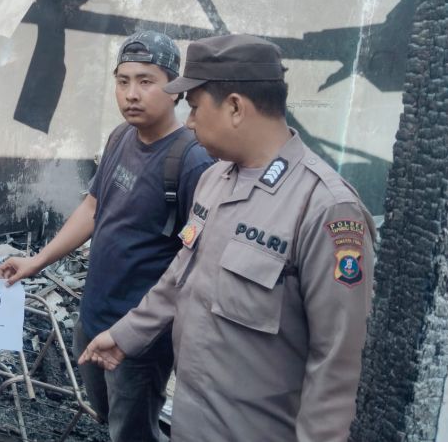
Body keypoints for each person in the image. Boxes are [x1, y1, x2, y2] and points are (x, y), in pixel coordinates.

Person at [80, 34, 376, 442]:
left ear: (235, 107)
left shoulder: (325, 209)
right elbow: (182, 271)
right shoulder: (215, 180)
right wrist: (127, 333)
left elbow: (338, 364)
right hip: (192, 421)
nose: (189, 122)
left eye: (197, 107)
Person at [0, 31, 213, 442]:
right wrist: (38, 261)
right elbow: (92, 210)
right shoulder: (120, 138)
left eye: (146, 81)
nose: (131, 94)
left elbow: (197, 262)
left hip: (139, 337)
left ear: (174, 89)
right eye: (123, 80)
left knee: (132, 431)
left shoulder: (191, 162)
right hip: (93, 314)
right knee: (107, 416)